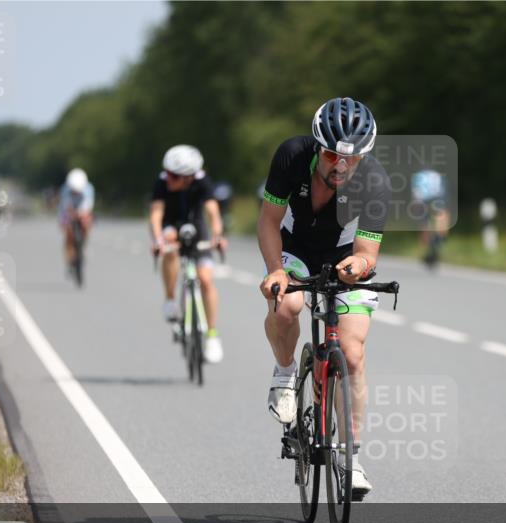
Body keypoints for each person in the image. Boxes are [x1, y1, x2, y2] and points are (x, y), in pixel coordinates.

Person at [257, 97, 390, 497]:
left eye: (352, 158)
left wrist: (358, 268)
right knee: (288, 305)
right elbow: (268, 221)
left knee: (350, 354)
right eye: (333, 155)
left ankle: (350, 457)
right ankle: (283, 376)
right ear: (318, 148)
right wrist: (276, 270)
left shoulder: (377, 183)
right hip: (294, 247)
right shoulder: (291, 156)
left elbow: (367, 254)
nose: (342, 166)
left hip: (343, 257)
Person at [150, 144, 227, 364]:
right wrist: (157, 240)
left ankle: (212, 335)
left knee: (206, 280)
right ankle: (169, 299)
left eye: (174, 175)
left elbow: (212, 212)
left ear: (188, 178)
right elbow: (156, 215)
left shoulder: (202, 181)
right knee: (170, 245)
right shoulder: (162, 181)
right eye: (168, 173)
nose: (168, 178)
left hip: (196, 225)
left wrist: (218, 235)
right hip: (171, 224)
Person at [412, 169, 451, 269]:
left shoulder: (418, 175)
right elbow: (443, 191)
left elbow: (416, 193)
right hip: (437, 200)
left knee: (425, 227)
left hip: (423, 202)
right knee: (441, 224)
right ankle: (436, 245)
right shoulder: (437, 174)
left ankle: (430, 249)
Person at [58, 168, 95, 272]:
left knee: (87, 223)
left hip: (82, 211)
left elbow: (89, 204)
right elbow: (64, 206)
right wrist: (68, 217)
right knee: (67, 230)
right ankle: (69, 256)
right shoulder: (65, 189)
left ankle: (84, 244)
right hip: (68, 211)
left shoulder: (89, 189)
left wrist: (82, 213)